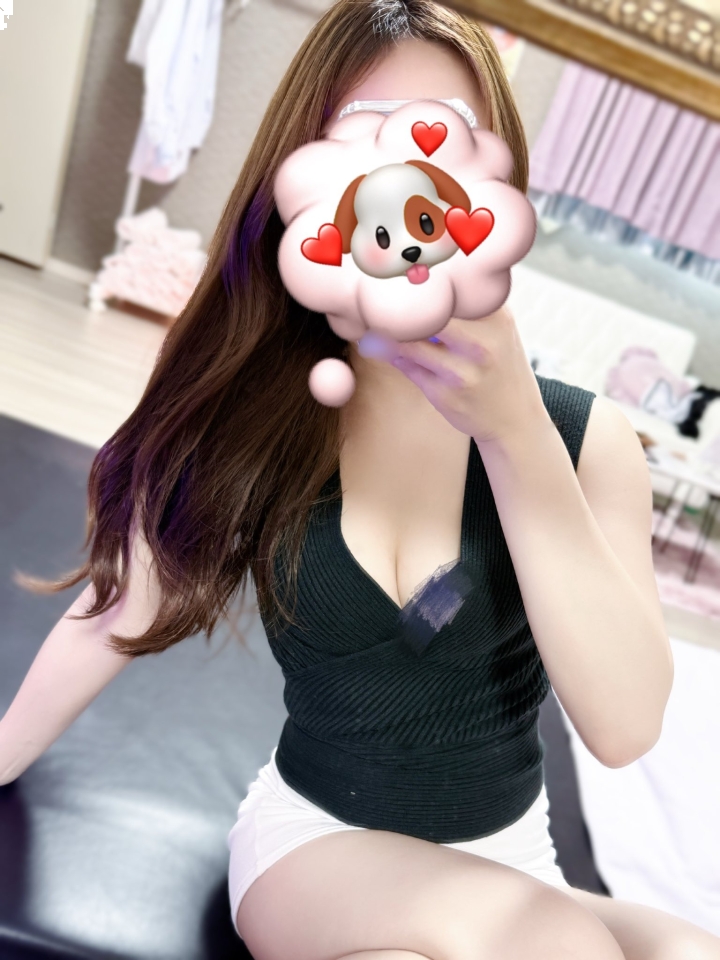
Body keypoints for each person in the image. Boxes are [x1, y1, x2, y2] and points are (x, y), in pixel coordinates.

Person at [1, 2, 718, 958]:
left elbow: (624, 728)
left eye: (442, 141)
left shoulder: (592, 441)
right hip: (316, 846)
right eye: (363, 143)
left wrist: (515, 433)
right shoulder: (258, 420)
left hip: (514, 867)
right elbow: (117, 614)